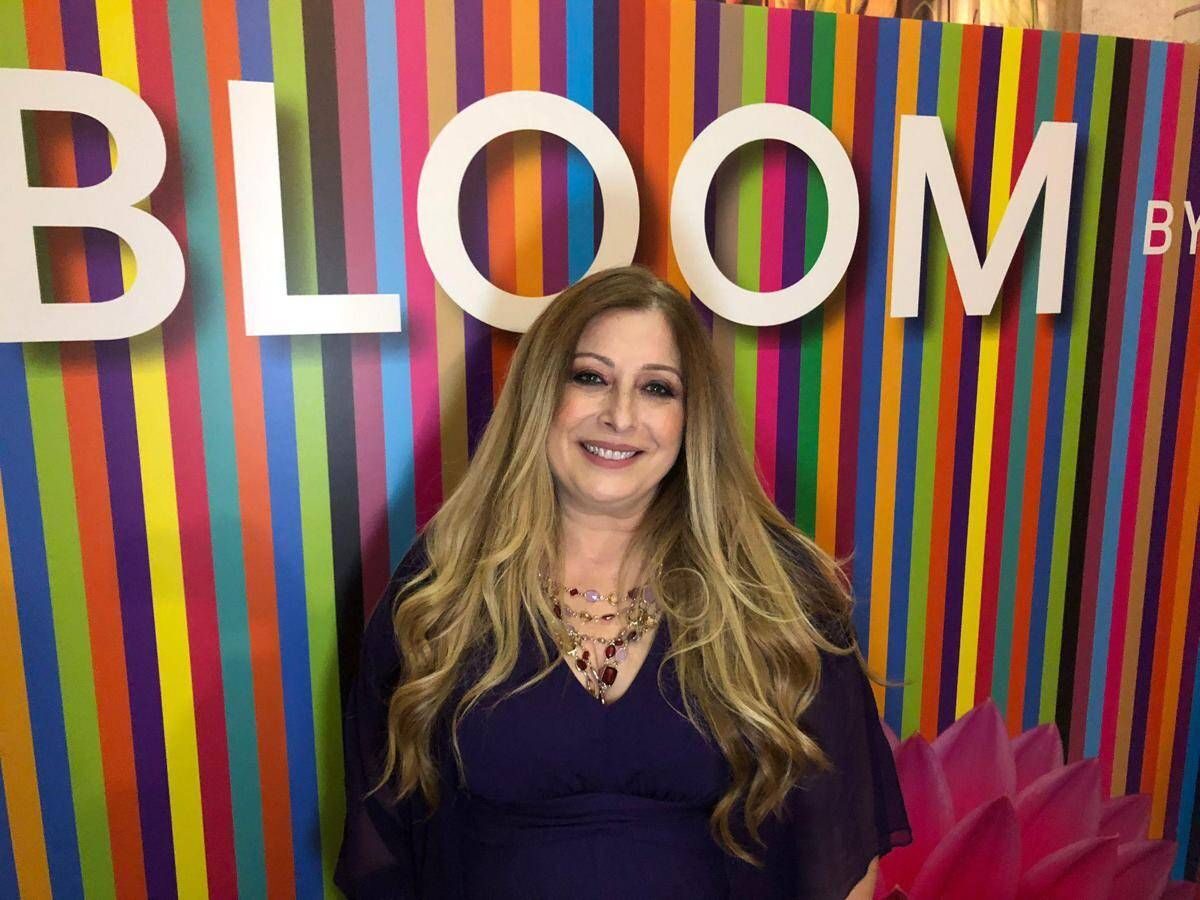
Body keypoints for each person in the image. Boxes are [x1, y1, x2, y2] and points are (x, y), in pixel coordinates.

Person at [335, 266, 911, 899]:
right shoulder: (444, 585)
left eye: (657, 388)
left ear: (692, 419)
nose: (620, 415)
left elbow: (842, 854)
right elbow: (382, 843)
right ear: (540, 395)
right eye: (591, 378)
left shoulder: (774, 590)